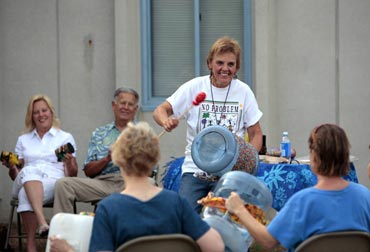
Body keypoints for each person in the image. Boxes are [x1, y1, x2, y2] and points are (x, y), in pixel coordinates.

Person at [49, 122, 224, 252]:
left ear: (118, 159)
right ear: (155, 159)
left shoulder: (109, 209)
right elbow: (216, 247)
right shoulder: (177, 204)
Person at [153, 36, 263, 213]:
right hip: (195, 170)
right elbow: (160, 110)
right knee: (187, 220)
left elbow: (256, 133)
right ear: (210, 63)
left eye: (231, 64)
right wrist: (166, 121)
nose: (225, 69)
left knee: (221, 220)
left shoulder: (244, 92)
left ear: (237, 67)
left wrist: (248, 158)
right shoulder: (194, 87)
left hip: (230, 173)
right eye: (220, 63)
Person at [225, 123, 370, 252]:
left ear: (314, 156)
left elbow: (268, 241)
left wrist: (239, 209)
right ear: (346, 156)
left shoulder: (303, 201)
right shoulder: (365, 197)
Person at [1, 94, 78, 252]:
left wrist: (69, 162)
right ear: (31, 116)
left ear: (51, 112)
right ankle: (43, 223)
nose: (41, 115)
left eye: (44, 110)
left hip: (52, 182)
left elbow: (72, 175)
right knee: (28, 170)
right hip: (24, 179)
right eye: (36, 112)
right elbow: (16, 176)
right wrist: (12, 167)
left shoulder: (65, 137)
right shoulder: (23, 139)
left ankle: (31, 246)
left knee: (24, 194)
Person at [52, 87, 139, 214]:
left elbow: (149, 172)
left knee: (151, 183)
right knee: (63, 184)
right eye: (122, 103)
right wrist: (107, 159)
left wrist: (131, 159)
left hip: (132, 182)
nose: (126, 107)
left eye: (130, 104)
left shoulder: (143, 133)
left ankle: (144, 232)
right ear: (114, 105)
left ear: (135, 109)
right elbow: (88, 171)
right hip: (103, 183)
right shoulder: (99, 133)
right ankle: (62, 232)